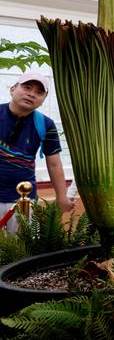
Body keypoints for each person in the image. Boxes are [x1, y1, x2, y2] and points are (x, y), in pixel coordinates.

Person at [1, 72, 74, 233]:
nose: (31, 94)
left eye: (39, 92)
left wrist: (61, 197)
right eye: (27, 87)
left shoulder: (45, 124)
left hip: (23, 200)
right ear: (12, 89)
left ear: (42, 101)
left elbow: (54, 164)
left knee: (22, 250)